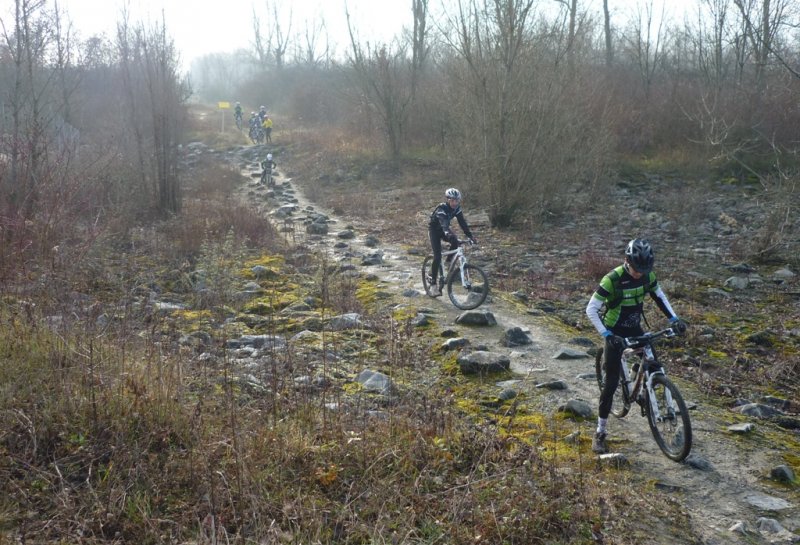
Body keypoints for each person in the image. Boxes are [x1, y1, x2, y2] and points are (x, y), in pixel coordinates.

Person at [585, 238, 687, 454]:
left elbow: (659, 296)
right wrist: (607, 334)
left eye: (643, 269)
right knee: (611, 384)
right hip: (614, 333)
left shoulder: (648, 276)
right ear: (626, 261)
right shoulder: (612, 280)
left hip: (635, 329)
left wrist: (674, 319)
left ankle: (645, 384)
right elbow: (591, 309)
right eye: (635, 269)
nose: (639, 274)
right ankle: (600, 432)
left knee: (654, 364)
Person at [427, 188, 476, 297]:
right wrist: (446, 231)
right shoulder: (441, 208)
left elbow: (462, 223)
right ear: (448, 200)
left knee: (455, 240)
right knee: (437, 256)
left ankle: (448, 262)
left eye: (457, 200)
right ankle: (433, 285)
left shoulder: (457, 209)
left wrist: (470, 236)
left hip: (445, 230)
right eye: (452, 200)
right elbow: (444, 222)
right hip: (434, 231)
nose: (455, 203)